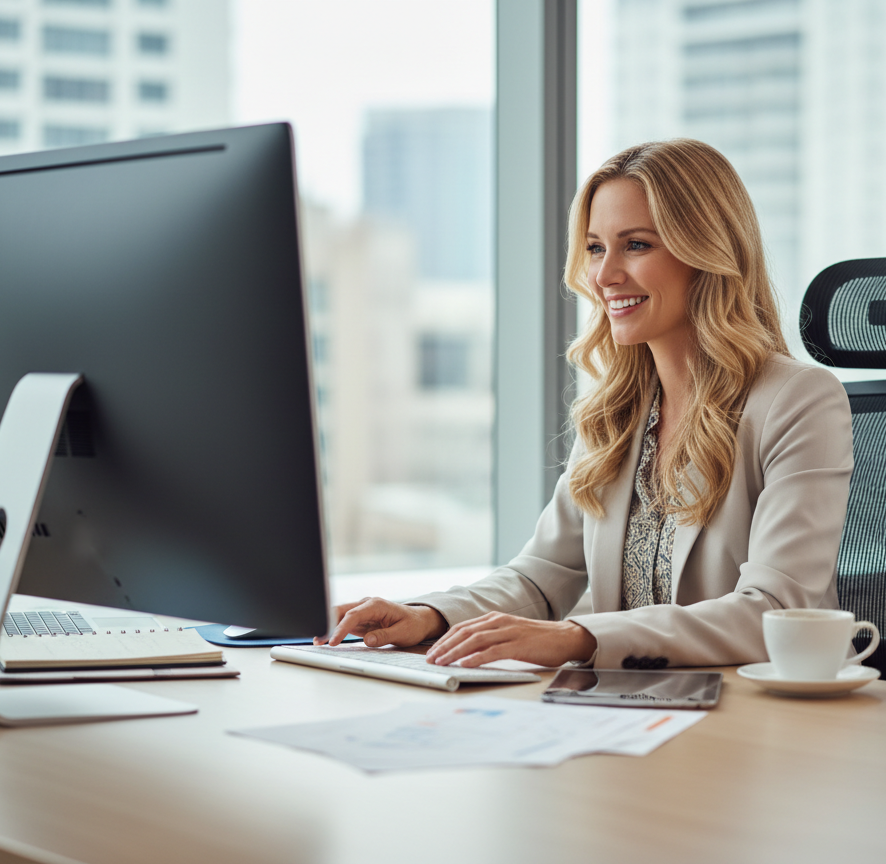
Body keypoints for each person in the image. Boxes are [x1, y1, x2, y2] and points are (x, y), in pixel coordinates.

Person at [322, 138, 853, 670]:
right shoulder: (618, 411)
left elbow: (775, 612)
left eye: (637, 245)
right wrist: (430, 615)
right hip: (642, 713)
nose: (603, 275)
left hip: (761, 720)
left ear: (708, 253)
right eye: (596, 247)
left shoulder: (797, 401)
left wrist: (578, 637)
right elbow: (541, 575)